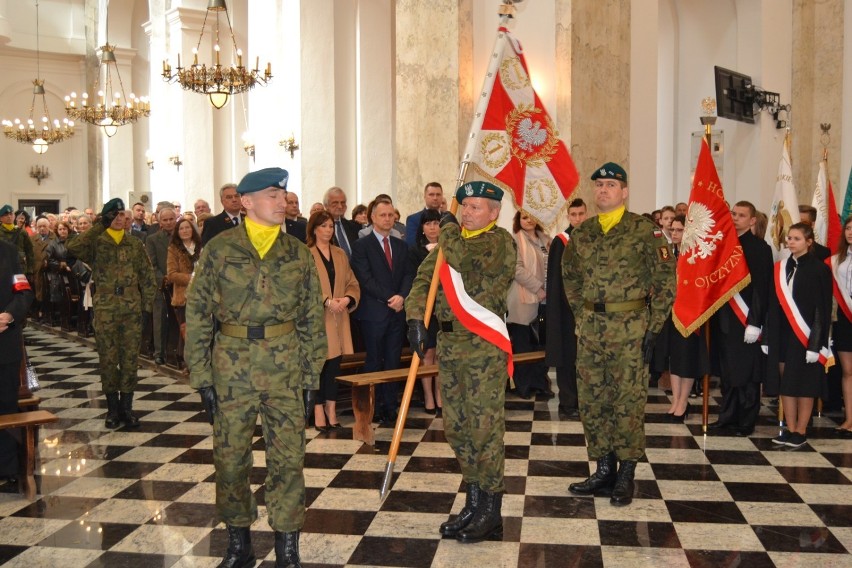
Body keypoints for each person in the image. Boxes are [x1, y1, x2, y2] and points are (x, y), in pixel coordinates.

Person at [185, 167, 326, 568]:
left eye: (283, 196)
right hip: (231, 368)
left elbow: (311, 318)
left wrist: (311, 374)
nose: (282, 202)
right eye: (272, 196)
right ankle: (238, 542)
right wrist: (201, 376)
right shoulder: (218, 249)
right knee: (230, 460)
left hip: (285, 368)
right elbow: (197, 314)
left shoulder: (297, 251)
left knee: (289, 460)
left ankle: (287, 547)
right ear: (245, 202)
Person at [406, 181, 515, 543]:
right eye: (464, 206)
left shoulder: (498, 243)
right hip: (450, 345)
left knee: (484, 429)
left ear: (494, 213)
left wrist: (449, 227)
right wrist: (414, 319)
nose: (466, 212)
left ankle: (491, 511)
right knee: (457, 428)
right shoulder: (448, 245)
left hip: (483, 346)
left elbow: (462, 260)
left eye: (475, 207)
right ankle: (473, 501)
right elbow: (423, 281)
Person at [562, 162, 675, 506]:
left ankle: (626, 472)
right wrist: (582, 315)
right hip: (592, 330)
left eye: (610, 185)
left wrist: (653, 328)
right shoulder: (583, 232)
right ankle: (603, 468)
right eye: (598, 185)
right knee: (594, 401)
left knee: (627, 402)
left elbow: (666, 282)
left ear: (624, 191)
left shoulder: (646, 231)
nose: (603, 190)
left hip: (631, 330)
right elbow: (571, 277)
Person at [67, 198, 156, 429]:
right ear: (107, 218)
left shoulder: (134, 244)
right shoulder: (97, 242)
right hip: (106, 308)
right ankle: (112, 410)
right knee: (108, 359)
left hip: (131, 308)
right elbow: (72, 248)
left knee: (129, 360)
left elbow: (147, 278)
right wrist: (99, 224)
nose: (118, 219)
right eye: (113, 216)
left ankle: (127, 409)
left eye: (121, 216)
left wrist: (146, 308)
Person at [762, 223, 832, 450]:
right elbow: (772, 304)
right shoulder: (781, 267)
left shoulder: (820, 269)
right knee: (786, 383)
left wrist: (816, 343)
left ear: (809, 242)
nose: (791, 242)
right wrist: (767, 337)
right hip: (782, 334)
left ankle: (801, 430)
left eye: (797, 239)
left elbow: (822, 308)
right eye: (789, 238)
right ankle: (789, 428)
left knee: (804, 384)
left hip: (806, 335)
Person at [708, 201, 773, 437]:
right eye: (733, 214)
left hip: (746, 319)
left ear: (752, 220)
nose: (735, 218)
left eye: (741, 215)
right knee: (727, 372)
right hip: (725, 317)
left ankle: (746, 421)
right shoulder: (725, 245)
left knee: (747, 373)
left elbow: (760, 287)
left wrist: (755, 322)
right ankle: (727, 417)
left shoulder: (759, 248)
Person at [350, 199, 412, 425]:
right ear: (372, 218)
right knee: (374, 361)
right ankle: (371, 408)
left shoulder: (401, 246)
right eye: (383, 215)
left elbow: (408, 274)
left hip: (397, 312)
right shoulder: (361, 246)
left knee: (393, 361)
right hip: (374, 313)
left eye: (390, 215)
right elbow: (365, 278)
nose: (388, 219)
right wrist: (390, 297)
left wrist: (402, 296)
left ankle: (390, 407)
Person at [307, 210, 360, 431]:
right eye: (324, 226)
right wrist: (326, 301)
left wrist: (347, 299)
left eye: (331, 226)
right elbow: (303, 286)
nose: (328, 230)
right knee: (320, 366)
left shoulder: (339, 254)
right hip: (318, 319)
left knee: (334, 367)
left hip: (339, 318)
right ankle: (318, 411)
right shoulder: (306, 254)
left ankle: (331, 409)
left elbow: (352, 283)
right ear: (314, 229)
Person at [654, 215, 709, 422]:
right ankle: (675, 400)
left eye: (680, 230)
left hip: (690, 313)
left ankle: (683, 402)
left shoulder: (695, 256)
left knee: (687, 359)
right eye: (673, 230)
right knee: (674, 358)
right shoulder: (667, 252)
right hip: (670, 312)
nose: (675, 234)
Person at [547, 198, 587, 420]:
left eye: (581, 214)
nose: (578, 218)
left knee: (585, 358)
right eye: (574, 215)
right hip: (566, 310)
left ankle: (584, 400)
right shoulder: (561, 241)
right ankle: (568, 401)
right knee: (568, 356)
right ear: (568, 216)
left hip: (588, 309)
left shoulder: (592, 239)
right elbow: (555, 280)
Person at [507, 210, 551, 399]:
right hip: (523, 301)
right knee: (523, 346)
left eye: (532, 216)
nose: (529, 220)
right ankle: (523, 386)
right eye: (524, 217)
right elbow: (516, 269)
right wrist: (538, 288)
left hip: (546, 301)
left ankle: (540, 383)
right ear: (518, 220)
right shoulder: (514, 240)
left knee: (541, 345)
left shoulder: (547, 240)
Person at [0, 239, 34, 484]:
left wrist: (9, 315)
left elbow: (23, 292)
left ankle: (7, 467)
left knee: (6, 405)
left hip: (4, 343)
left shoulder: (8, 250)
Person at [407, 209, 442, 414]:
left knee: (440, 354)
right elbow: (415, 281)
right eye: (428, 224)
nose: (432, 227)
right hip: (425, 308)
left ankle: (439, 395)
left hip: (443, 308)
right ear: (422, 227)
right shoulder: (415, 251)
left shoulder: (448, 248)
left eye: (436, 223)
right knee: (427, 353)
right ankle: (428, 396)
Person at [166, 217, 201, 369]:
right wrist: (192, 278)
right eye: (181, 228)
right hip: (183, 296)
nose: (185, 231)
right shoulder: (173, 249)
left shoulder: (200, 246)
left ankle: (201, 361)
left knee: (200, 330)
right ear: (177, 232)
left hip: (201, 295)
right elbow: (171, 274)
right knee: (186, 330)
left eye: (187, 227)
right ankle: (187, 362)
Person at [146, 207, 178, 365]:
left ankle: (177, 351)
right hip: (161, 284)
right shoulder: (153, 239)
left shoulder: (182, 235)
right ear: (160, 222)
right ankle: (160, 352)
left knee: (179, 319)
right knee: (159, 317)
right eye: (165, 220)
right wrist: (163, 278)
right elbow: (151, 263)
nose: (169, 222)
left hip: (180, 283)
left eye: (171, 219)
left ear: (176, 218)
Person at [830, 216, 852, 438]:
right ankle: (849, 418)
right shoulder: (836, 260)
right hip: (844, 319)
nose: (850, 232)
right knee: (847, 371)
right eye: (848, 228)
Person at [0, 204, 34, 280]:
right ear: (0, 218)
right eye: (6, 215)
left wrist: (30, 270)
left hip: (20, 268)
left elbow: (29, 252)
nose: (9, 216)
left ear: (14, 217)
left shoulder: (21, 232)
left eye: (11, 214)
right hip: (2, 269)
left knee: (19, 291)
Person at [324, 187, 360, 257]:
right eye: (335, 203)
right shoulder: (321, 228)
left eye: (343, 203)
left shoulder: (354, 226)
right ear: (326, 206)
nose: (340, 206)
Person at [405, 182, 444, 246]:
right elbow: (412, 244)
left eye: (438, 195)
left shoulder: (448, 218)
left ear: (442, 197)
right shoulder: (413, 220)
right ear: (425, 197)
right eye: (431, 194)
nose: (435, 198)